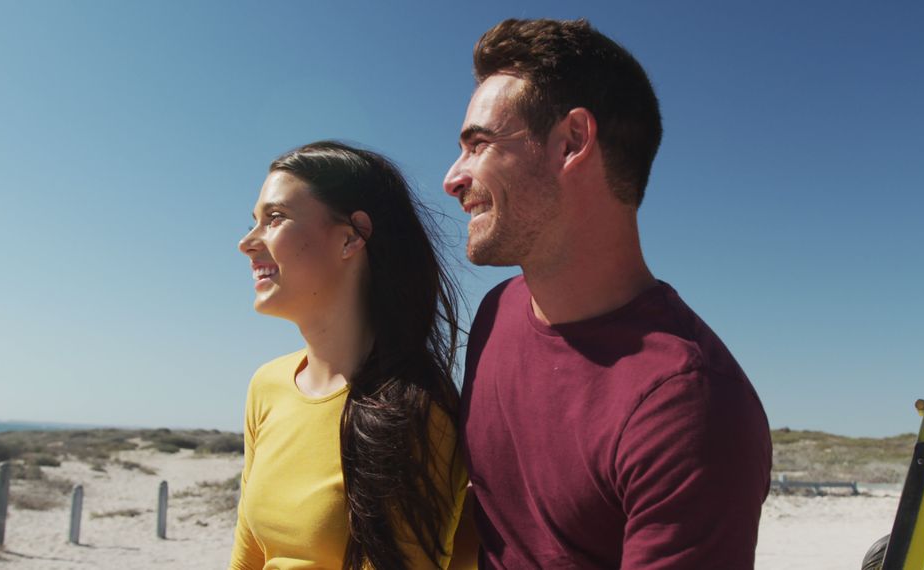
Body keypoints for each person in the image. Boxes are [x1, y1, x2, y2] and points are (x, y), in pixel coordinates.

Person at [443, 19, 772, 569]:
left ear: (571, 141)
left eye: (478, 144)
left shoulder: (688, 406)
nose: (453, 177)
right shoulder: (495, 314)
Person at [233, 141, 468, 569]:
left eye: (275, 218)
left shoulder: (415, 408)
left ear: (349, 238)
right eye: (255, 222)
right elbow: (248, 554)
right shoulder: (266, 387)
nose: (247, 243)